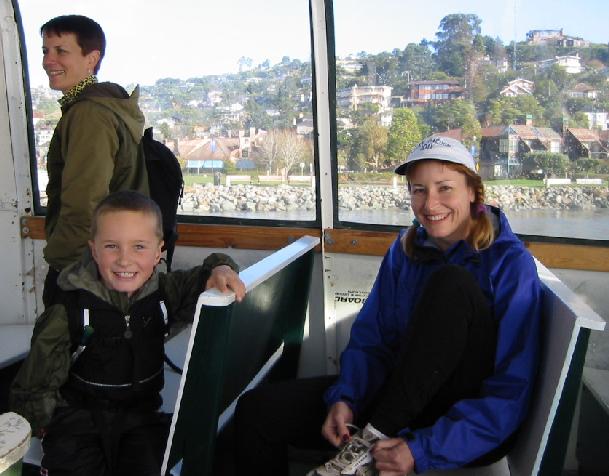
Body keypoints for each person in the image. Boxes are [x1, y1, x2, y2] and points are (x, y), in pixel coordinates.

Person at [235, 136, 542, 475]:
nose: (430, 203)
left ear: (473, 192)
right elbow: (373, 338)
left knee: (451, 283)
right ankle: (367, 442)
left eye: (444, 188)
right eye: (418, 190)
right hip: (399, 400)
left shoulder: (509, 264)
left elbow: (510, 391)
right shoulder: (405, 250)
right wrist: (345, 398)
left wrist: (421, 450)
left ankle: (370, 441)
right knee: (258, 412)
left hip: (464, 421)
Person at [10, 190, 246, 475]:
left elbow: (206, 276)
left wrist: (222, 267)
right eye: (111, 246)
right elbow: (37, 379)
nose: (124, 260)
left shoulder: (165, 292)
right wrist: (43, 425)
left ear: (159, 251)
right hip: (79, 420)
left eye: (139, 247)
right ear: (94, 249)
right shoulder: (70, 308)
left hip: (141, 417)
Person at [41, 15, 149, 308]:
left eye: (61, 51)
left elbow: (84, 205)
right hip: (110, 266)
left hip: (86, 272)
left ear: (92, 59)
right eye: (45, 50)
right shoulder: (104, 107)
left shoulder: (89, 115)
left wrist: (61, 268)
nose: (49, 60)